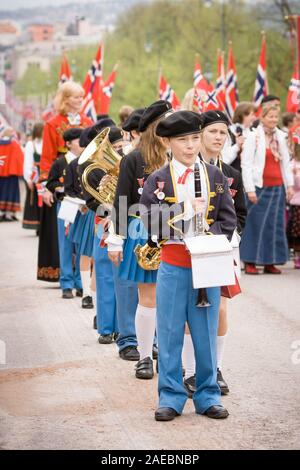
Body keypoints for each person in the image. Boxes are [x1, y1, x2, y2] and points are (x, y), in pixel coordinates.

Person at [140, 110, 237, 421]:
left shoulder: (217, 176)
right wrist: (182, 211)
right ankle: (170, 396)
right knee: (168, 331)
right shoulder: (157, 179)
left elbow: (228, 219)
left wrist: (211, 241)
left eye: (195, 138)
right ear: (168, 142)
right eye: (183, 140)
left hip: (206, 263)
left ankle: (207, 394)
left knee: (205, 332)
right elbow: (147, 220)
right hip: (173, 263)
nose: (191, 145)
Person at [182, 110, 247, 398]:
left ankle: (215, 368)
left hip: (222, 248)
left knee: (219, 308)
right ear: (200, 135)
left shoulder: (232, 174)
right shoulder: (183, 170)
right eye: (212, 132)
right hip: (186, 247)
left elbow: (241, 214)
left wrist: (223, 237)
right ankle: (190, 370)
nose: (218, 137)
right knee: (188, 310)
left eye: (223, 133)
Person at [106, 100, 171, 378]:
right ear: (155, 129)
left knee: (166, 295)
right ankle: (137, 348)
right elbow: (122, 201)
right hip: (139, 229)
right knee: (141, 292)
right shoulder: (133, 158)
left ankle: (157, 344)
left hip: (172, 230)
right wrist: (115, 239)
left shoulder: (177, 156)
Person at [38, 81, 92, 282]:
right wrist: (46, 186)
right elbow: (46, 157)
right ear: (66, 99)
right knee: (64, 235)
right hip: (61, 182)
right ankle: (65, 277)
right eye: (76, 97)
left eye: (81, 96)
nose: (80, 100)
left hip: (84, 182)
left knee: (82, 236)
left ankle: (81, 277)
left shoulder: (87, 121)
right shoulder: (52, 124)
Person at [240, 103, 294, 274]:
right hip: (258, 187)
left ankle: (271, 261)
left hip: (278, 187)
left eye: (275, 117)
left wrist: (290, 185)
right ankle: (250, 262)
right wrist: (249, 189)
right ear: (262, 117)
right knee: (255, 225)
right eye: (270, 116)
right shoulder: (253, 136)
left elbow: (286, 163)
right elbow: (246, 164)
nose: (273, 119)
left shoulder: (281, 137)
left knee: (275, 226)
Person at [46, 128, 83, 298]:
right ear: (68, 144)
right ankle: (66, 283)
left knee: (82, 246)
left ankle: (80, 282)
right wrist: (59, 188)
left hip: (82, 207)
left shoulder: (86, 161)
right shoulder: (60, 163)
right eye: (78, 140)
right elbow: (51, 183)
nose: (82, 143)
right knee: (66, 244)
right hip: (66, 205)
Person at [222, 102, 256, 171]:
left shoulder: (253, 132)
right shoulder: (229, 132)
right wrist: (237, 146)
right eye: (252, 115)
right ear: (243, 115)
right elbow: (224, 159)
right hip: (233, 175)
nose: (254, 118)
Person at [22, 121, 44, 232]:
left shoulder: (46, 143)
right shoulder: (31, 144)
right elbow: (27, 162)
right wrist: (28, 178)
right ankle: (36, 224)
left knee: (44, 198)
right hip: (35, 174)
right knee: (35, 199)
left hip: (44, 173)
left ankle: (43, 224)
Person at [0, 127, 24, 222]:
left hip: (1, 172)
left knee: (1, 192)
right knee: (11, 193)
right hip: (11, 172)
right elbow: (18, 158)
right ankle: (9, 214)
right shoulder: (14, 144)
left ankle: (2, 213)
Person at [287, 127, 300, 269]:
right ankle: (297, 255)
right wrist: (296, 176)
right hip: (297, 202)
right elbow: (294, 185)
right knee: (297, 231)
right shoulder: (293, 165)